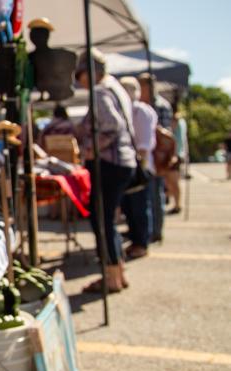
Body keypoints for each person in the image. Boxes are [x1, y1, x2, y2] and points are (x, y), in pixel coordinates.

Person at [76, 48, 136, 293]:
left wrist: (92, 149)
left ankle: (111, 276)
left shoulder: (100, 91)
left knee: (101, 219)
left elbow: (112, 125)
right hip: (123, 162)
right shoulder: (116, 88)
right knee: (107, 218)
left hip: (110, 163)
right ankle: (118, 272)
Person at [119, 76, 157, 259]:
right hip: (133, 166)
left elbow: (143, 144)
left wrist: (138, 169)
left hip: (139, 167)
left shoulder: (139, 110)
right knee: (131, 208)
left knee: (139, 207)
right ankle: (137, 240)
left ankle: (141, 243)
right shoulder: (131, 110)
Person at [137, 73, 168, 241]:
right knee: (147, 197)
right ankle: (150, 231)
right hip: (148, 157)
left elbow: (163, 134)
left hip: (156, 157)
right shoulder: (144, 105)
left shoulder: (160, 105)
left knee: (156, 195)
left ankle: (156, 231)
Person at [166, 111, 188, 214]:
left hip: (175, 154)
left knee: (173, 182)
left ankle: (177, 204)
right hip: (179, 154)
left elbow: (174, 139)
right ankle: (176, 203)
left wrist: (174, 155)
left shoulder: (177, 121)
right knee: (172, 182)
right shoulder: (182, 121)